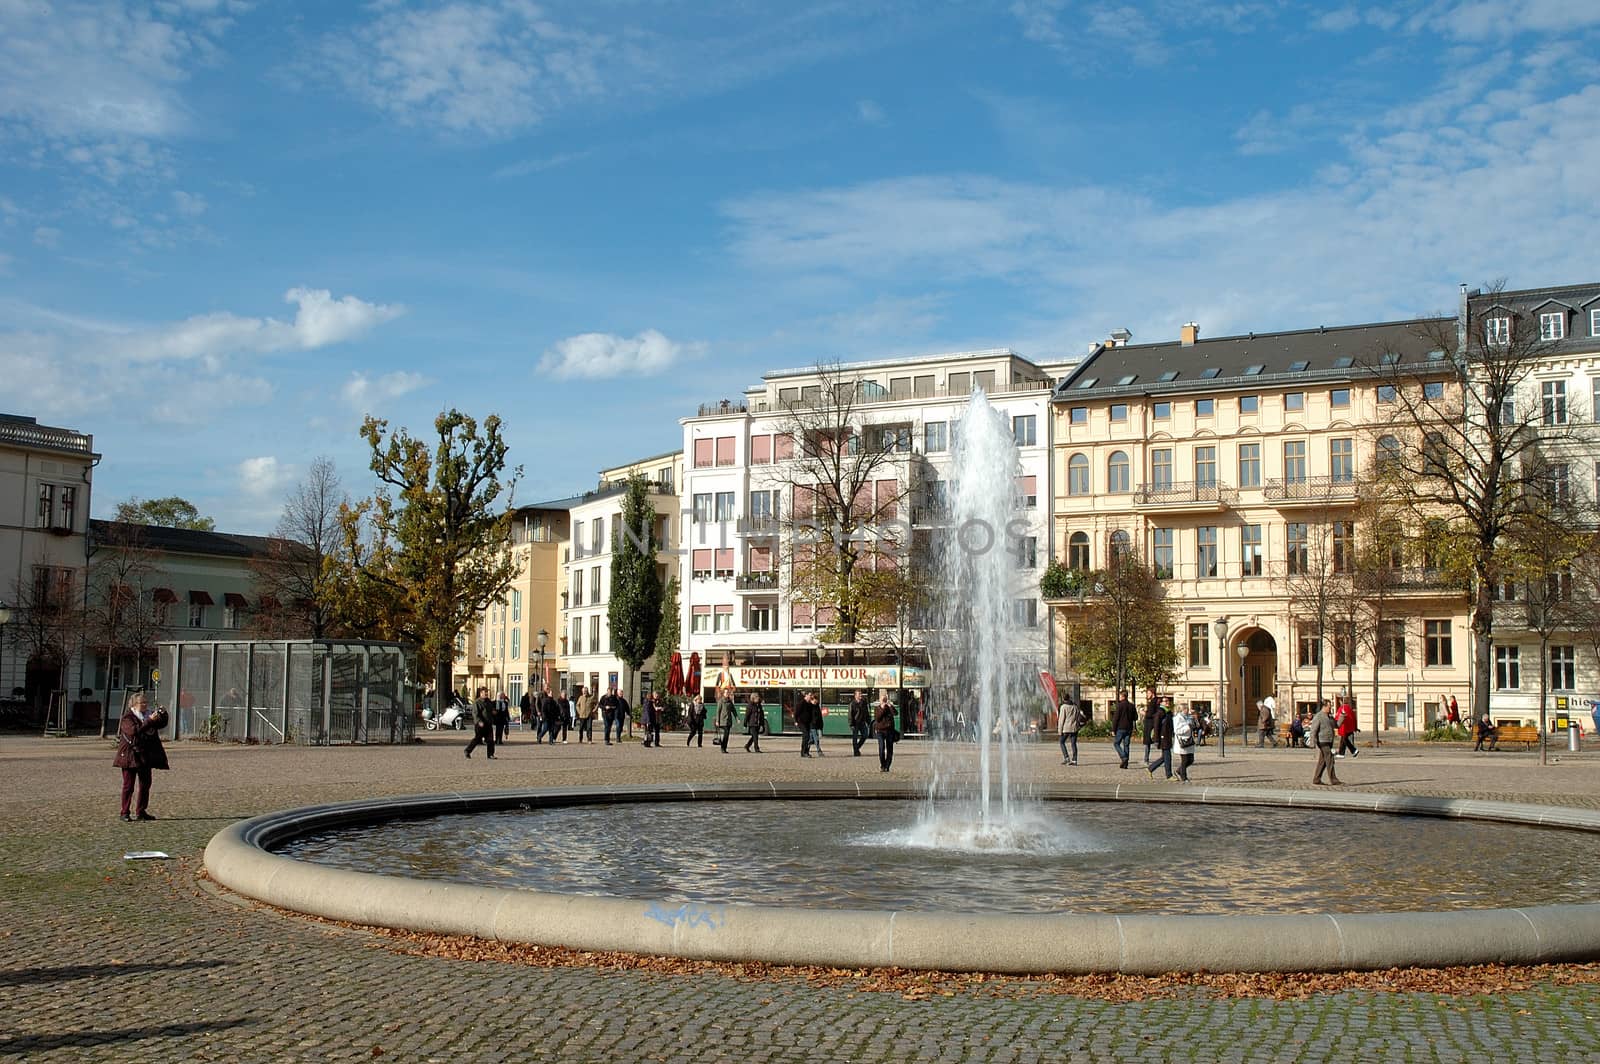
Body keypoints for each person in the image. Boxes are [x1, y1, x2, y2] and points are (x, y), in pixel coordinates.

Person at [113, 691, 170, 821]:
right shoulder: (128, 717)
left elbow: (160, 724)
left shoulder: (148, 715)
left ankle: (141, 811)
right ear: (134, 704)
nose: (145, 705)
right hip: (129, 755)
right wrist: (149, 720)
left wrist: (163, 715)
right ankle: (124, 812)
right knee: (128, 785)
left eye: (146, 702)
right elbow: (135, 731)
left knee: (145, 784)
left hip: (144, 755)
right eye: (142, 702)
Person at [1310, 699, 1341, 785]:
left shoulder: (1330, 716)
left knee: (1322, 761)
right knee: (1330, 758)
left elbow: (1336, 725)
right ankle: (1333, 779)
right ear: (1324, 706)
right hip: (1322, 741)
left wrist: (1342, 716)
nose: (1330, 708)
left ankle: (1316, 779)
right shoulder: (1318, 716)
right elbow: (1313, 730)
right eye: (1329, 706)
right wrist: (1312, 742)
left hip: (1329, 740)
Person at [1145, 699, 1174, 780]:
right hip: (1162, 737)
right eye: (1165, 701)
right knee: (1167, 756)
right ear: (1161, 703)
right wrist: (1156, 739)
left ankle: (1150, 768)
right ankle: (1169, 775)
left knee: (1164, 757)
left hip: (1167, 737)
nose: (1168, 702)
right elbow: (1156, 727)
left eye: (1168, 700)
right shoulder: (1160, 713)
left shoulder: (1168, 712)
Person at [465, 686, 496, 759]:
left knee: (490, 740)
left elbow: (491, 710)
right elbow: (475, 714)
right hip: (480, 725)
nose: (486, 694)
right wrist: (479, 722)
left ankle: (490, 754)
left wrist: (493, 712)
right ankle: (467, 751)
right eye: (485, 693)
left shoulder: (488, 701)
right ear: (481, 693)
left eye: (487, 693)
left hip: (488, 724)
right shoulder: (477, 702)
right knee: (477, 739)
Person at [1111, 690, 1138, 769]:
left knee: (1116, 743)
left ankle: (1123, 757)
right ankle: (1125, 763)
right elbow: (1135, 717)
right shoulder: (1131, 706)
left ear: (1122, 696)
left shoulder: (1120, 705)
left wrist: (1113, 729)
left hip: (1121, 727)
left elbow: (1116, 718)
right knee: (1126, 745)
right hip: (1129, 728)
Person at [1173, 703, 1198, 782]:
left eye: (1187, 708)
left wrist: (1195, 720)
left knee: (1191, 759)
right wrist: (1188, 727)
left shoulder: (1189, 717)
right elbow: (1177, 730)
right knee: (1184, 760)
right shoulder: (1178, 718)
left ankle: (1178, 770)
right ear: (1182, 710)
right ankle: (1184, 777)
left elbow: (1196, 725)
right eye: (1186, 709)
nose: (1187, 710)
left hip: (1189, 740)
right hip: (1182, 741)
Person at [874, 696, 899, 772]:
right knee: (881, 748)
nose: (884, 701)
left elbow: (895, 713)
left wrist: (890, 705)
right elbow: (878, 718)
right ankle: (882, 764)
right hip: (880, 730)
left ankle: (887, 766)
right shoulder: (877, 708)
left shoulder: (889, 707)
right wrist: (883, 708)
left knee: (890, 749)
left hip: (889, 730)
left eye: (885, 699)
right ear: (880, 700)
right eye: (883, 700)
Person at [848, 690, 872, 757]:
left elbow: (867, 713)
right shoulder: (852, 704)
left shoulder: (864, 703)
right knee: (855, 738)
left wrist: (868, 721)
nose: (860, 695)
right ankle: (856, 752)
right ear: (855, 695)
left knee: (865, 735)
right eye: (859, 694)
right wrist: (851, 724)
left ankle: (856, 748)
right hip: (855, 723)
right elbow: (850, 715)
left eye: (861, 694)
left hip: (862, 722)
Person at [1141, 690, 1162, 766]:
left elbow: (1150, 714)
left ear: (1152, 694)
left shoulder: (1153, 702)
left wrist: (1144, 713)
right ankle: (1146, 759)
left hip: (1150, 724)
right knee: (1153, 742)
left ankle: (1146, 760)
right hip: (1153, 723)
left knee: (1148, 742)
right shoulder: (1157, 701)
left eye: (1148, 693)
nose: (1147, 695)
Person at [1058, 697, 1080, 766]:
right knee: (1073, 744)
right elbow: (1078, 716)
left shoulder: (1063, 707)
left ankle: (1066, 757)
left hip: (1066, 728)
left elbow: (1061, 719)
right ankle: (1074, 760)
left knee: (1061, 742)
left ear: (1064, 700)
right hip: (1074, 728)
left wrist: (1060, 730)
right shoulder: (1075, 707)